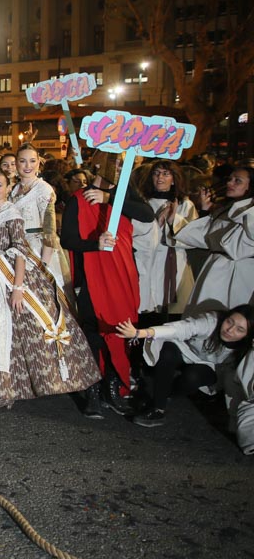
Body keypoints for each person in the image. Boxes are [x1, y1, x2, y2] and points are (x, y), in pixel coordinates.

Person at [0, 169, 99, 411]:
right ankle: (3, 388)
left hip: (8, 277)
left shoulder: (12, 214)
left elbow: (20, 251)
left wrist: (18, 287)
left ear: (8, 187)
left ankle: (6, 391)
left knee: (6, 333)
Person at [61, 152, 156, 417]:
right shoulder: (78, 198)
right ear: (98, 165)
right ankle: (92, 389)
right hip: (91, 275)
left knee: (121, 329)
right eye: (113, 162)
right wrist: (94, 244)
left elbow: (147, 215)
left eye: (121, 163)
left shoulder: (126, 196)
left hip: (123, 275)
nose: (117, 167)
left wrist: (110, 199)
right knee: (93, 331)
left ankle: (114, 386)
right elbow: (67, 240)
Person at [118, 306, 252, 427]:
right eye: (229, 321)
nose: (230, 330)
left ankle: (165, 393)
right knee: (168, 351)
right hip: (185, 350)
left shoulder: (244, 351)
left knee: (192, 377)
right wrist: (140, 333)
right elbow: (181, 328)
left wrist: (235, 421)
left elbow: (233, 385)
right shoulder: (213, 320)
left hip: (210, 367)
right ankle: (158, 408)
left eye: (239, 330)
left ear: (247, 336)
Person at [174, 166, 253, 311]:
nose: (230, 183)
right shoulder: (226, 209)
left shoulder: (248, 212)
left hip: (238, 273)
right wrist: (205, 211)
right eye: (229, 179)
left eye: (238, 181)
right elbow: (206, 237)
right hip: (215, 267)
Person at [135, 160, 199, 315]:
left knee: (174, 310)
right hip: (146, 261)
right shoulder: (143, 203)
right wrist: (156, 224)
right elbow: (134, 233)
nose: (160, 177)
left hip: (175, 261)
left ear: (174, 179)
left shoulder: (185, 204)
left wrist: (173, 219)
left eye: (165, 174)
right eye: (156, 173)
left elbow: (194, 237)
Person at [9, 145, 67, 294]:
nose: (28, 166)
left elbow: (49, 230)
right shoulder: (15, 189)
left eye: (32, 161)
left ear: (38, 163)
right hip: (17, 247)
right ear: (16, 163)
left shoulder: (43, 189)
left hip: (38, 247)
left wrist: (44, 264)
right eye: (23, 161)